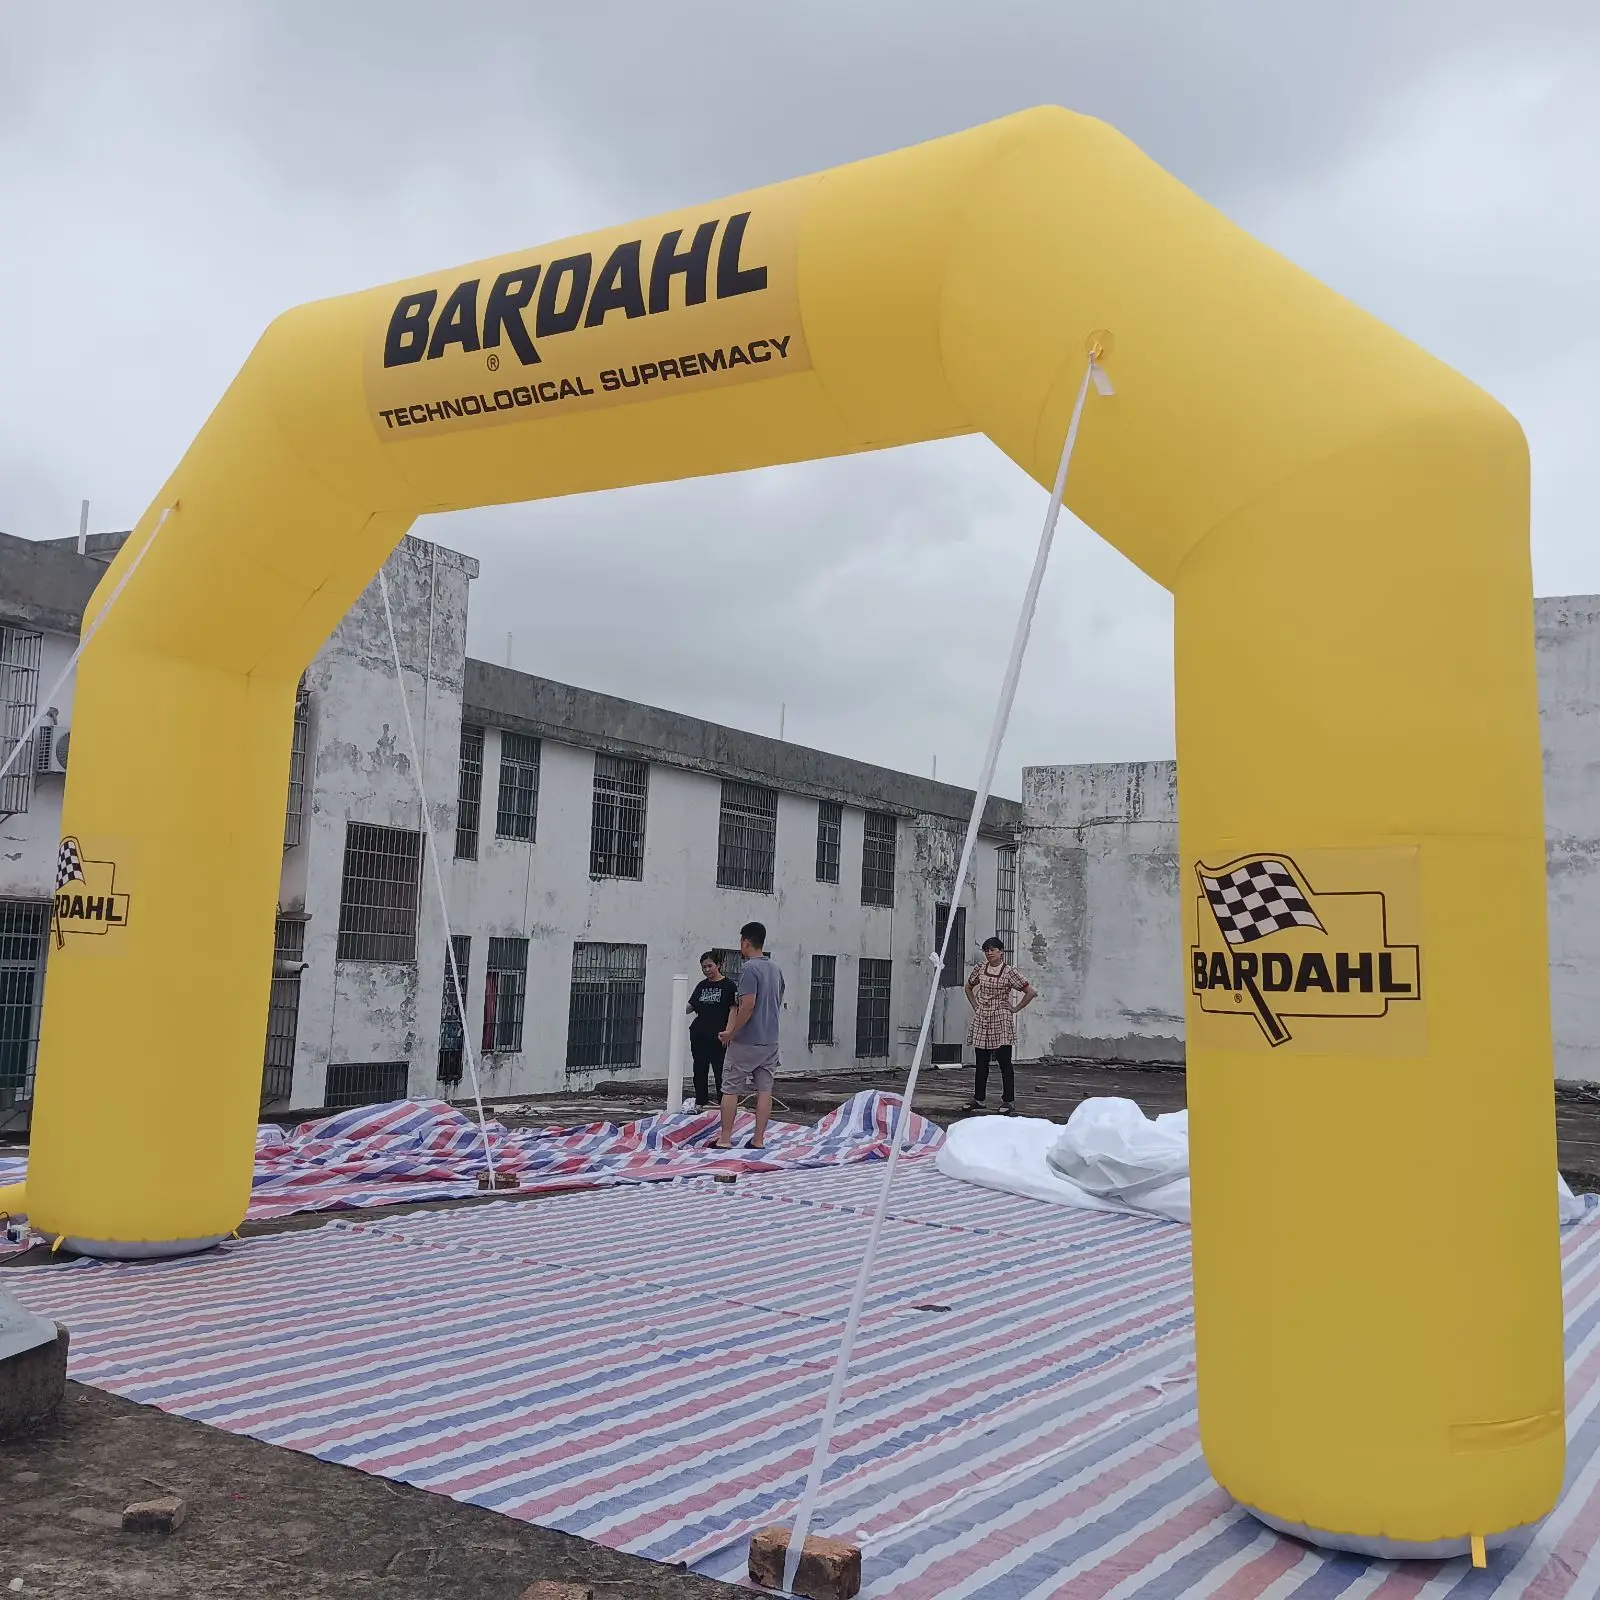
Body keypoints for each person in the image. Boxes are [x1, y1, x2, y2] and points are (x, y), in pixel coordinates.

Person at [715, 920, 785, 1151]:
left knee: (731, 1088)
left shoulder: (749, 969)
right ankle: (759, 1139)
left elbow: (747, 1005)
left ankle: (725, 1138)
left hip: (746, 1041)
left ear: (746, 942)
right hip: (770, 1040)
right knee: (765, 1090)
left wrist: (732, 1033)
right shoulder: (775, 969)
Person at [963, 936, 1037, 1114]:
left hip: (1000, 1018)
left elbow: (1031, 991)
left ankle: (1008, 1100)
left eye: (992, 950)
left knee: (1004, 1061)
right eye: (986, 950)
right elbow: (968, 986)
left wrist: (1014, 1008)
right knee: (981, 1061)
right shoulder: (980, 969)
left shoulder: (1009, 971)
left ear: (1001, 952)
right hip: (983, 1017)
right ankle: (978, 1098)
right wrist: (976, 1005)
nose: (989, 953)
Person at [685, 951, 737, 1107]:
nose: (707, 970)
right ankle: (701, 1101)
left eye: (710, 966)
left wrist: (729, 1033)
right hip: (699, 1034)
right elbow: (691, 1006)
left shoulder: (728, 985)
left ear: (718, 965)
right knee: (699, 1070)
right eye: (703, 967)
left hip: (719, 1035)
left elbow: (733, 1009)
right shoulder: (702, 986)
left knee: (720, 1071)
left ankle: (724, 1104)